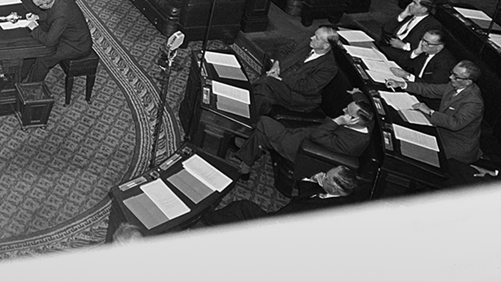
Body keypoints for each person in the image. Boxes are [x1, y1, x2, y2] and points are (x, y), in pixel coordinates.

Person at [234, 98, 373, 180]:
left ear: (355, 120)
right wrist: (356, 94)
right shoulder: (365, 121)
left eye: (347, 111)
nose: (343, 110)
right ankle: (245, 166)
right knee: (260, 135)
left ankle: (244, 146)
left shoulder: (351, 142)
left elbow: (317, 137)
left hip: (301, 150)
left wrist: (338, 121)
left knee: (263, 121)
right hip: (301, 135)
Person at [391, 60, 483, 164]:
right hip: (440, 132)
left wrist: (430, 111)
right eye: (451, 73)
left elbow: (455, 123)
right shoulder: (453, 85)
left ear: (468, 82)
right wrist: (402, 84)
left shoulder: (474, 102)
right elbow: (429, 89)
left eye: (456, 76)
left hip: (455, 146)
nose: (451, 78)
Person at [200, 166, 360, 225]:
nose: (322, 174)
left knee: (242, 207)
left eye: (326, 177)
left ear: (334, 188)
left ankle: (202, 222)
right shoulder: (336, 194)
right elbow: (306, 194)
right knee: (239, 211)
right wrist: (312, 180)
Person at [250, 26, 338, 119]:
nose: (311, 37)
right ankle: (251, 119)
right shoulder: (307, 43)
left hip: (299, 96)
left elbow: (306, 87)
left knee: (266, 82)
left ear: (325, 46)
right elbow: (283, 50)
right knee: (263, 94)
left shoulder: (329, 67)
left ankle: (247, 108)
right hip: (281, 82)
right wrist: (276, 64)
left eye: (316, 37)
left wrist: (280, 78)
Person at [24, 0, 94, 84]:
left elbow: (49, 41)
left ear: (46, 1)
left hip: (76, 44)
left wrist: (35, 29)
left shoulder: (61, 14)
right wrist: (38, 16)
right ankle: (22, 75)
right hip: (66, 34)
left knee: (44, 57)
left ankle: (31, 86)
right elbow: (50, 13)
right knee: (35, 44)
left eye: (39, 6)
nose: (39, 8)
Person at [382, 28, 456, 87]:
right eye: (423, 40)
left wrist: (407, 75)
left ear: (439, 47)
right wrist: (416, 52)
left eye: (428, 43)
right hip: (412, 85)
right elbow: (404, 64)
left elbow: (432, 86)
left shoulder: (445, 62)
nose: (423, 44)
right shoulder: (424, 51)